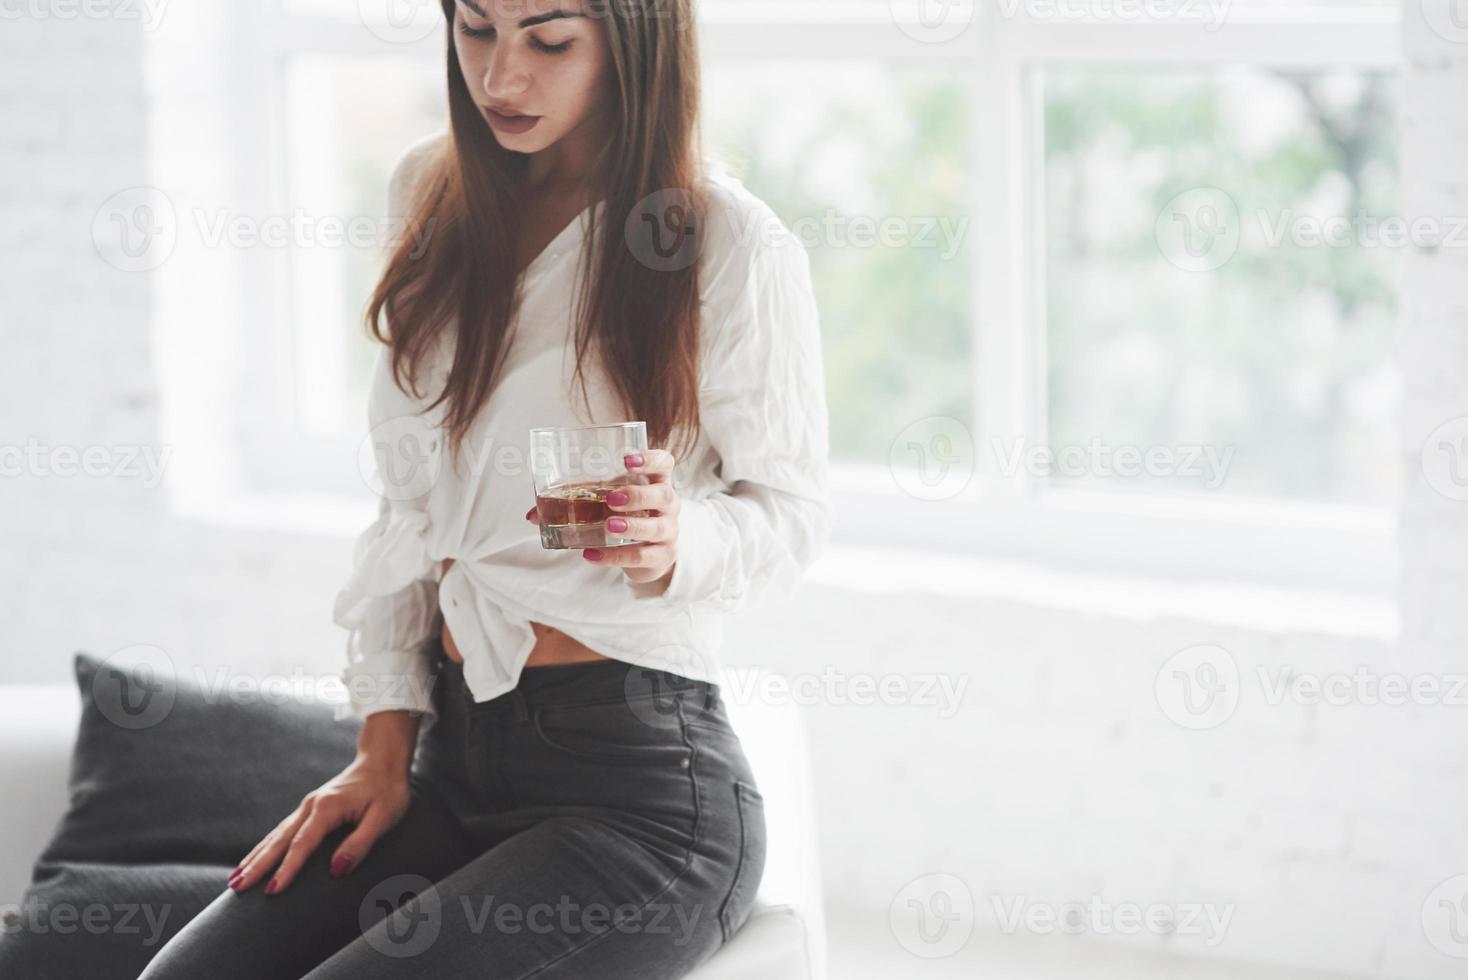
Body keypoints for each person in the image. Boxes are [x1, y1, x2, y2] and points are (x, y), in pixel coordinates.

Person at [138, 0, 831, 976]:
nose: (500, 77)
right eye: (475, 30)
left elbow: (790, 511)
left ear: (633, 40)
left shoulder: (726, 242)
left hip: (639, 792)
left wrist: (679, 539)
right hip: (450, 762)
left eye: (548, 40)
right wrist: (383, 749)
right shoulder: (429, 186)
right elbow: (409, 509)